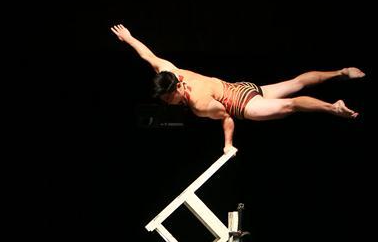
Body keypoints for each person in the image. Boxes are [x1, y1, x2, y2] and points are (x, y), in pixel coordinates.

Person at [111, 23, 364, 152]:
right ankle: (342, 72)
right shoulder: (169, 71)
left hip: (243, 104)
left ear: (177, 89)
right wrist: (129, 38)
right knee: (296, 82)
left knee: (291, 105)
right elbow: (148, 56)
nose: (169, 104)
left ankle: (332, 107)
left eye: (169, 99)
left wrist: (227, 144)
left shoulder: (199, 104)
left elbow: (227, 116)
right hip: (241, 87)